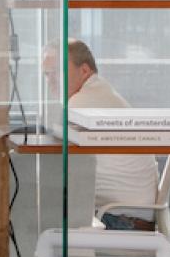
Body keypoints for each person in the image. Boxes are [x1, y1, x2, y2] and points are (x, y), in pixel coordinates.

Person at [53, 38, 160, 229]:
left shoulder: (82, 103)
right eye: (46, 74)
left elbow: (54, 159)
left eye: (57, 71)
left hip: (119, 220)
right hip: (133, 217)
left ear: (84, 70)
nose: (51, 80)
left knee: (38, 209)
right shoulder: (102, 92)